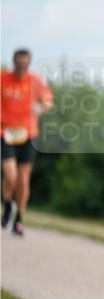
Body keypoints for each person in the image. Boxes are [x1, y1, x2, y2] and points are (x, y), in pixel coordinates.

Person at [1, 49, 54, 237]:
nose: (21, 68)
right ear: (13, 62)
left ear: (28, 64)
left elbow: (48, 101)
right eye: (18, 64)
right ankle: (8, 204)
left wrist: (42, 106)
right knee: (10, 175)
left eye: (25, 65)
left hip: (28, 135)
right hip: (6, 132)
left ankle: (19, 219)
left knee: (23, 179)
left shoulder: (35, 81)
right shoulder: (3, 79)